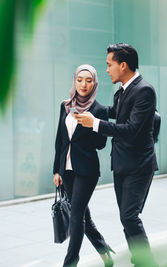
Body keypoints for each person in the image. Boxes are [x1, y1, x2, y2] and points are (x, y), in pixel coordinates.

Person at [75, 44, 159, 266]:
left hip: (139, 165)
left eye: (109, 65)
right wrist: (86, 102)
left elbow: (131, 129)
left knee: (130, 216)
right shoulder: (122, 91)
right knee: (127, 218)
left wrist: (96, 124)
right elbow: (113, 114)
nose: (107, 70)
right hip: (122, 164)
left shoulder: (144, 91)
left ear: (123, 65)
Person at [52, 64, 114, 267]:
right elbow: (61, 140)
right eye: (80, 79)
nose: (83, 84)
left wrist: (92, 123)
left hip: (87, 170)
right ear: (74, 81)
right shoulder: (65, 105)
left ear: (94, 83)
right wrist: (57, 170)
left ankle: (70, 262)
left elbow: (101, 144)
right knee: (82, 215)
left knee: (76, 214)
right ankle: (104, 250)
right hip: (67, 170)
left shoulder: (100, 110)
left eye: (88, 80)